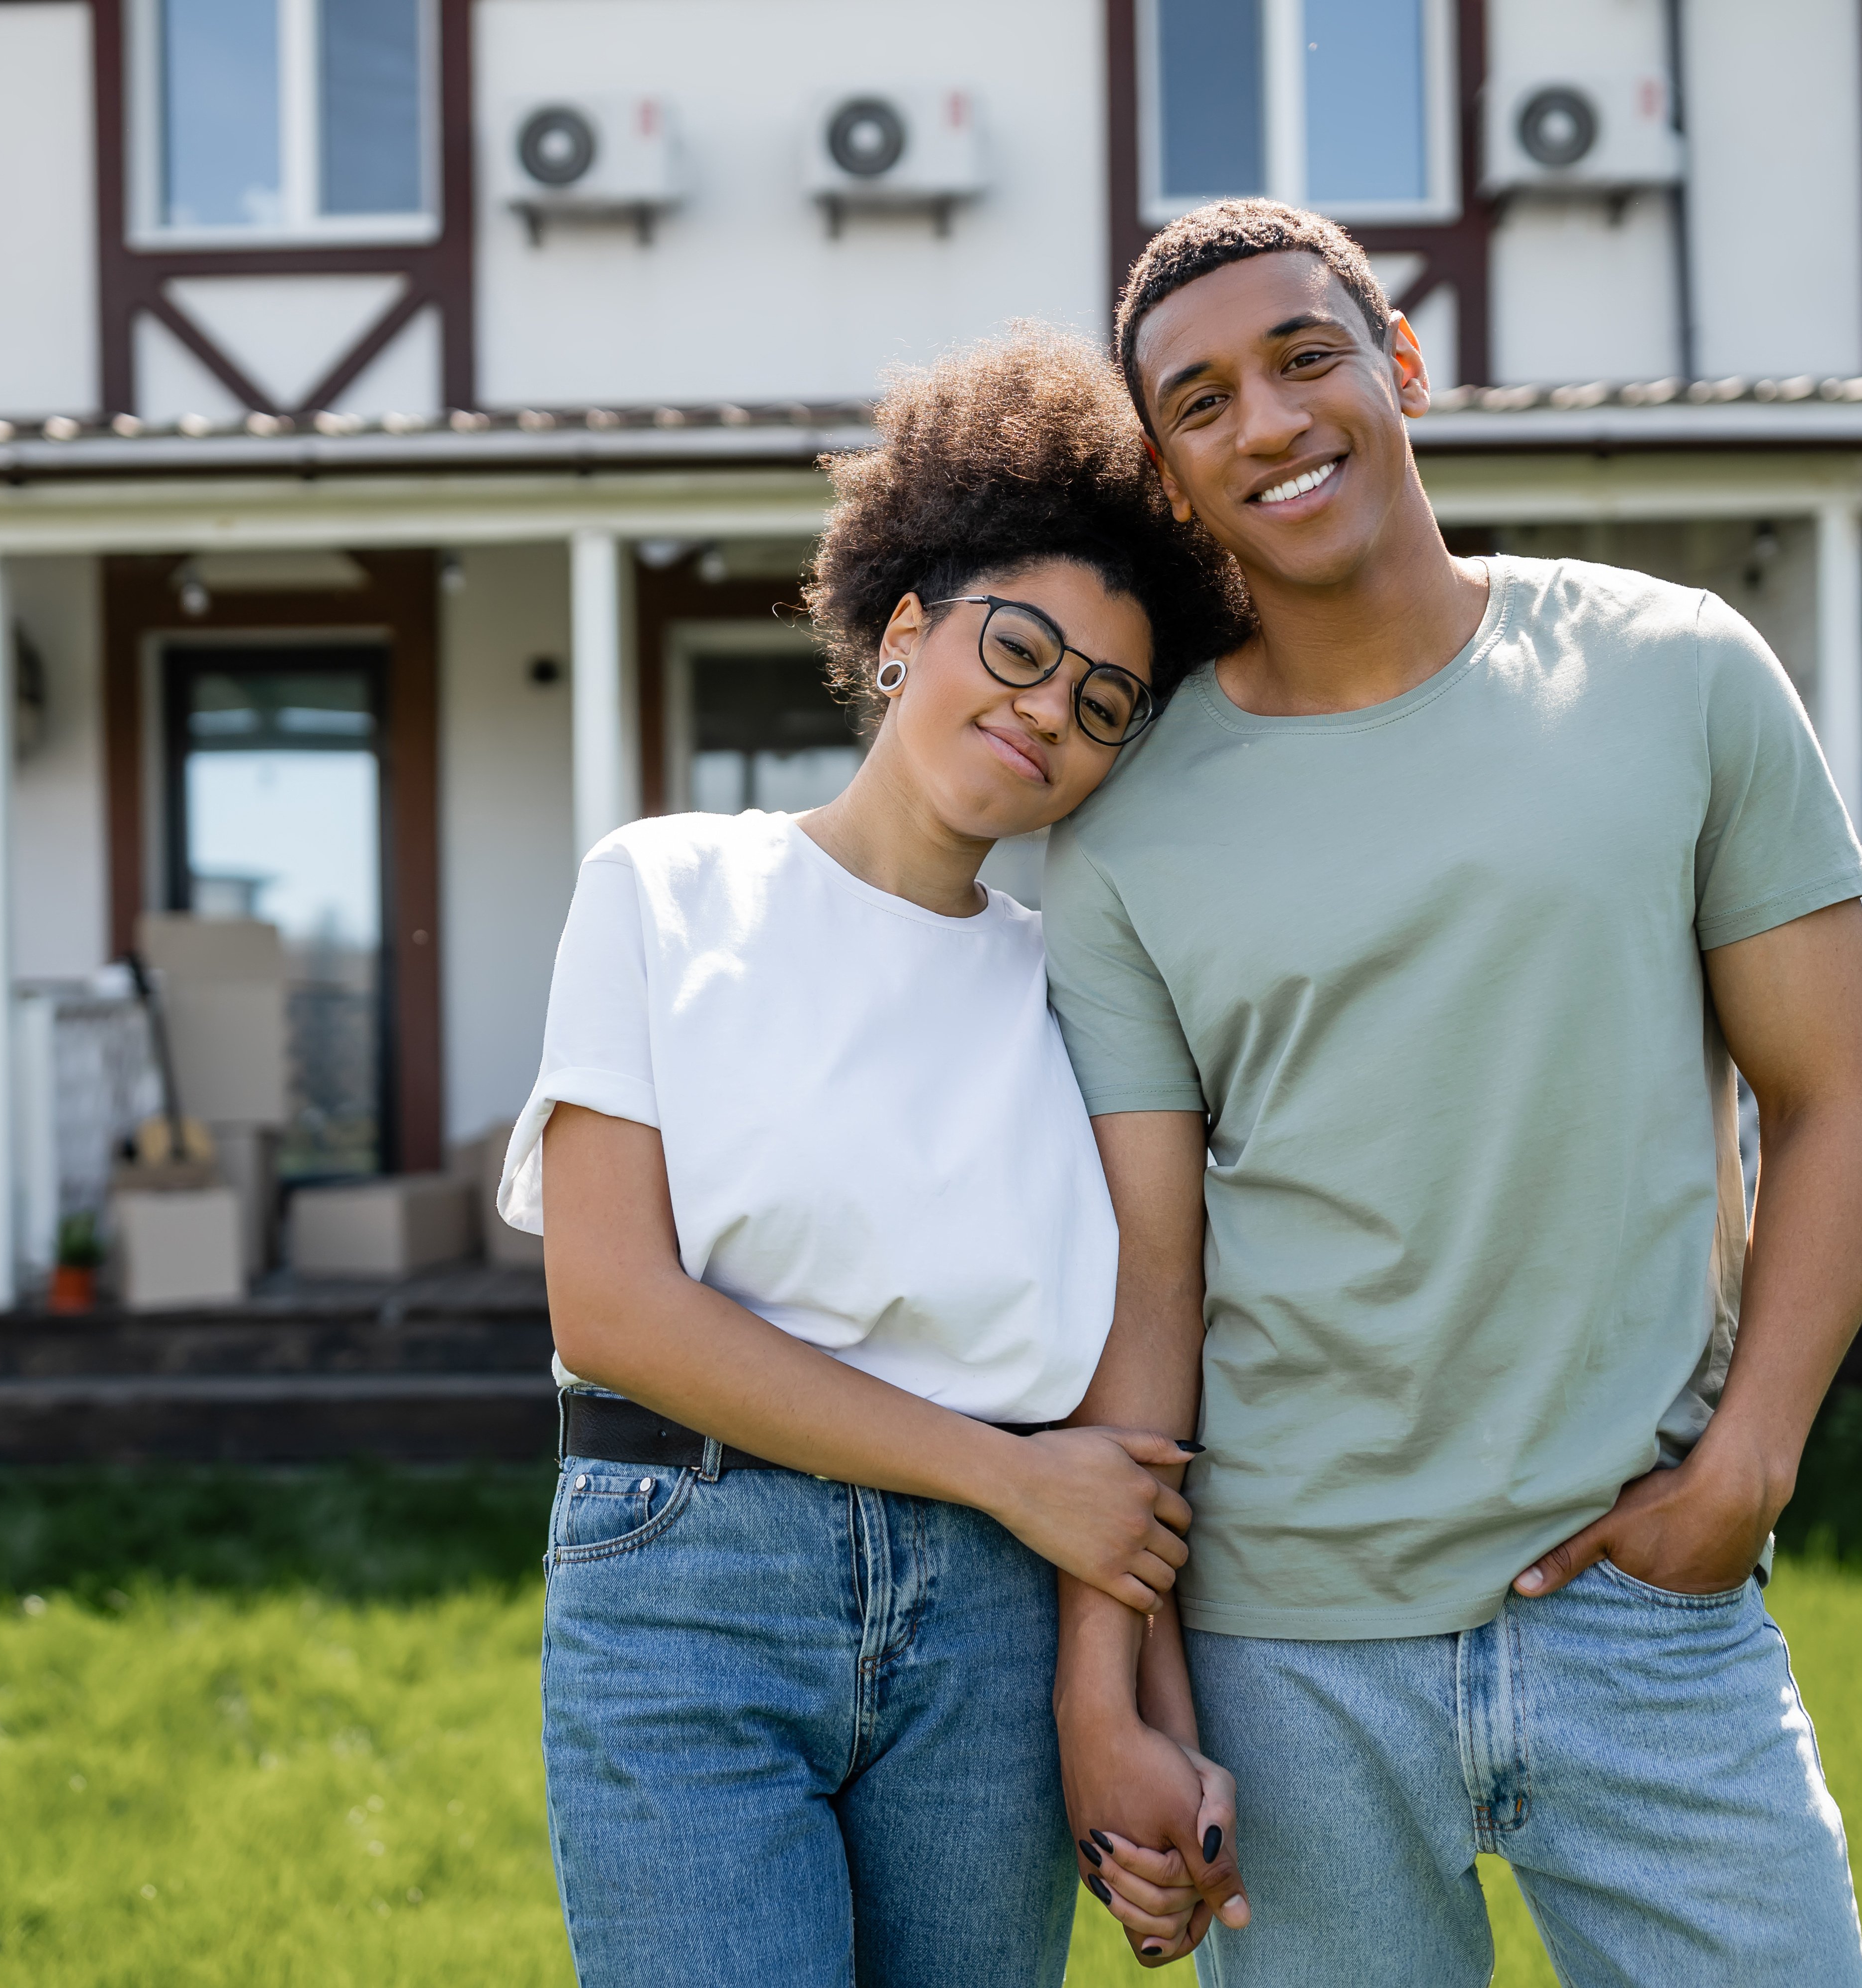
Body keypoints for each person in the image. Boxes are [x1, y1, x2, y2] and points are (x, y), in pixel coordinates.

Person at [1048, 200, 1862, 1982]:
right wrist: (1122, 1672)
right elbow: (1149, 1285)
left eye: (1305, 358)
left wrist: (1749, 1465)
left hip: (1643, 1607)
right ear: (1170, 471)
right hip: (1290, 1657)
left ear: (1401, 366)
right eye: (1201, 403)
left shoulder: (1677, 674)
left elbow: (1838, 1111)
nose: (1268, 423)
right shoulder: (1121, 827)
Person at [495, 325, 1253, 1987]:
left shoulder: (1081, 986)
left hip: (989, 1622)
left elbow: (1135, 1373)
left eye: (1103, 701)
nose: (1049, 709)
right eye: (1023, 646)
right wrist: (1006, 1476)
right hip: (690, 1576)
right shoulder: (666, 888)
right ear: (907, 632)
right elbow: (614, 1309)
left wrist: (1132, 1708)